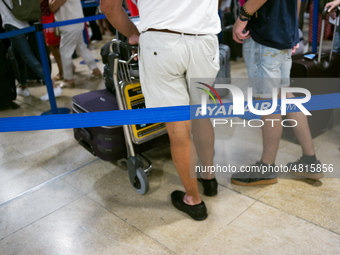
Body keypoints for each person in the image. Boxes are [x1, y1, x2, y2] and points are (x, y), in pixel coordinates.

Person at [100, 0, 221, 220]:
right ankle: (209, 179)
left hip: (162, 41)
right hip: (205, 40)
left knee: (178, 128)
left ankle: (193, 199)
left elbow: (108, 6)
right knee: (201, 114)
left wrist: (133, 33)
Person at [231, 0, 323, 186]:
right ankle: (310, 160)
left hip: (264, 34)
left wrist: (242, 17)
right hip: (282, 32)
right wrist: (294, 29)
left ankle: (266, 167)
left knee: (268, 103)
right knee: (285, 96)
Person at [0, 0, 63, 101]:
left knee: (27, 55)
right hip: (23, 22)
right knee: (17, 54)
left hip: (11, 24)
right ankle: (23, 86)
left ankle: (52, 86)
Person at [49, 0, 102, 88]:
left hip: (69, 23)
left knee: (65, 51)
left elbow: (53, 6)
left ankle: (68, 79)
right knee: (81, 47)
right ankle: (95, 70)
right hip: (75, 20)